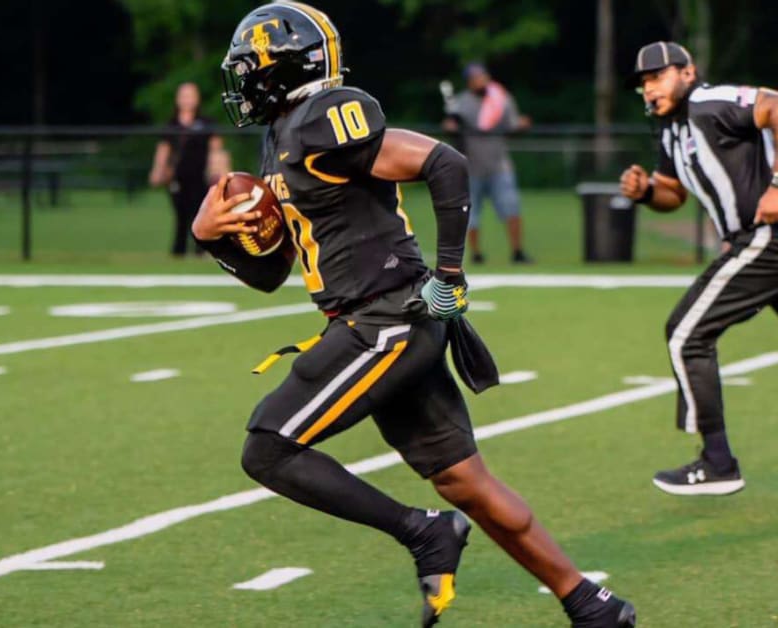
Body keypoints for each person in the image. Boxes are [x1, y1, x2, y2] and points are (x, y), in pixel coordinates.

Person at [194, 3, 635, 626]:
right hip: (379, 323)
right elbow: (270, 275)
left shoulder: (324, 116)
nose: (242, 85)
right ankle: (590, 604)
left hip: (386, 321)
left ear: (285, 67)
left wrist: (449, 275)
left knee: (267, 448)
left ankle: (424, 532)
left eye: (249, 71)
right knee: (464, 483)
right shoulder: (281, 136)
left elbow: (445, 162)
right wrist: (210, 235)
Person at [618, 41, 778, 496]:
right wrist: (646, 193)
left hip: (766, 238)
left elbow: (776, 105)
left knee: (686, 335)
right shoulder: (670, 130)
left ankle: (717, 462)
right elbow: (672, 193)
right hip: (757, 242)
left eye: (658, 76)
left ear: (687, 72)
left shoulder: (710, 102)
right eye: (643, 83)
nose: (649, 88)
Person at [442, 62, 532, 264]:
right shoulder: (460, 103)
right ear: (469, 82)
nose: (480, 81)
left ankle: (518, 252)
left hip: (499, 165)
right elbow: (451, 127)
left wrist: (521, 125)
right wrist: (450, 127)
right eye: (476, 78)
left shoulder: (501, 99)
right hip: (471, 167)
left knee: (512, 208)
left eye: (483, 77)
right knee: (470, 213)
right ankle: (476, 254)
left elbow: (512, 125)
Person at [148, 82, 228, 257]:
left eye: (191, 95)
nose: (187, 100)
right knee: (181, 216)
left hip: (201, 178)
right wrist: (158, 171)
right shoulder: (171, 125)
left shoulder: (206, 123)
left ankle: (200, 251)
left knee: (200, 214)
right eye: (184, 96)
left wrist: (221, 173)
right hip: (178, 178)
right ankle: (179, 251)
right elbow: (163, 151)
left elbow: (217, 150)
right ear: (178, 99)